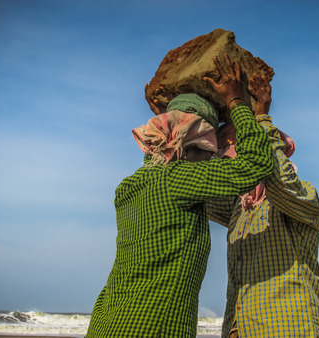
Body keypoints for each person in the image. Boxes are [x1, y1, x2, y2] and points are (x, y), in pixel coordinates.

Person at [85, 54, 274, 337]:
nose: (210, 160)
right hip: (153, 329)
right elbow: (257, 163)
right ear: (187, 145)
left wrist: (165, 114)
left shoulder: (128, 188)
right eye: (206, 151)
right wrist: (237, 103)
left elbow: (164, 151)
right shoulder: (179, 180)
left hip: (106, 323)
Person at [207, 72, 319, 337]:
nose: (224, 158)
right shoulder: (239, 207)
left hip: (289, 329)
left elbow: (275, 173)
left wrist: (258, 116)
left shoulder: (303, 196)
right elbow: (195, 186)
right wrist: (175, 126)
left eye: (230, 147)